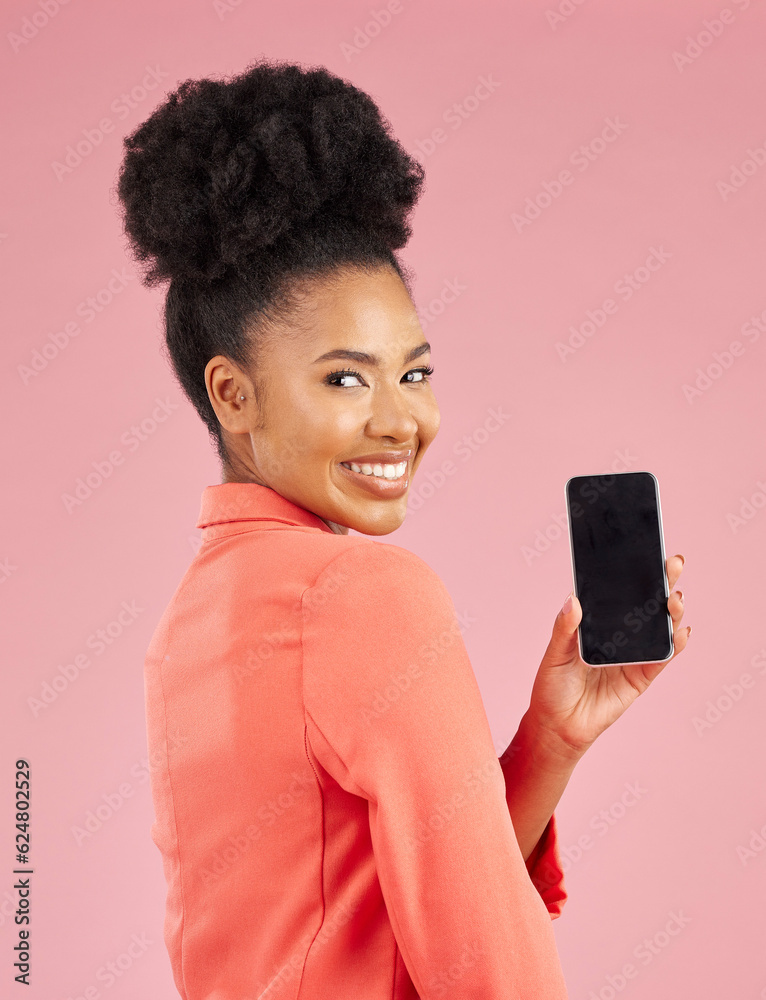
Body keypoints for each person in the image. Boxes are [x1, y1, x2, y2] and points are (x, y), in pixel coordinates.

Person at [115, 57, 690, 1000]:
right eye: (346, 379)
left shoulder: (193, 619)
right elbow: (486, 965)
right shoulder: (363, 593)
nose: (401, 421)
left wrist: (550, 738)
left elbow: (384, 914)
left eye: (414, 374)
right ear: (234, 394)